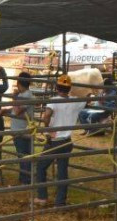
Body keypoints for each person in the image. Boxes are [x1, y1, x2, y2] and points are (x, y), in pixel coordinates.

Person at [34, 74, 84, 206]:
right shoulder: (75, 101)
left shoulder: (54, 100)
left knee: (40, 166)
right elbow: (88, 98)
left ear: (57, 87)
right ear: (69, 88)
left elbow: (46, 116)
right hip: (67, 141)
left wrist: (47, 129)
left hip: (55, 141)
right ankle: (60, 201)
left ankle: (42, 197)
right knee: (62, 172)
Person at [7, 72, 36, 185]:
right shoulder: (22, 95)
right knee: (23, 154)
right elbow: (15, 109)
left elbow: (18, 111)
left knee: (24, 154)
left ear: (19, 82)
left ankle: (26, 179)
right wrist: (5, 111)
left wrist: (14, 97)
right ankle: (24, 177)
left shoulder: (27, 96)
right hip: (19, 129)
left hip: (22, 130)